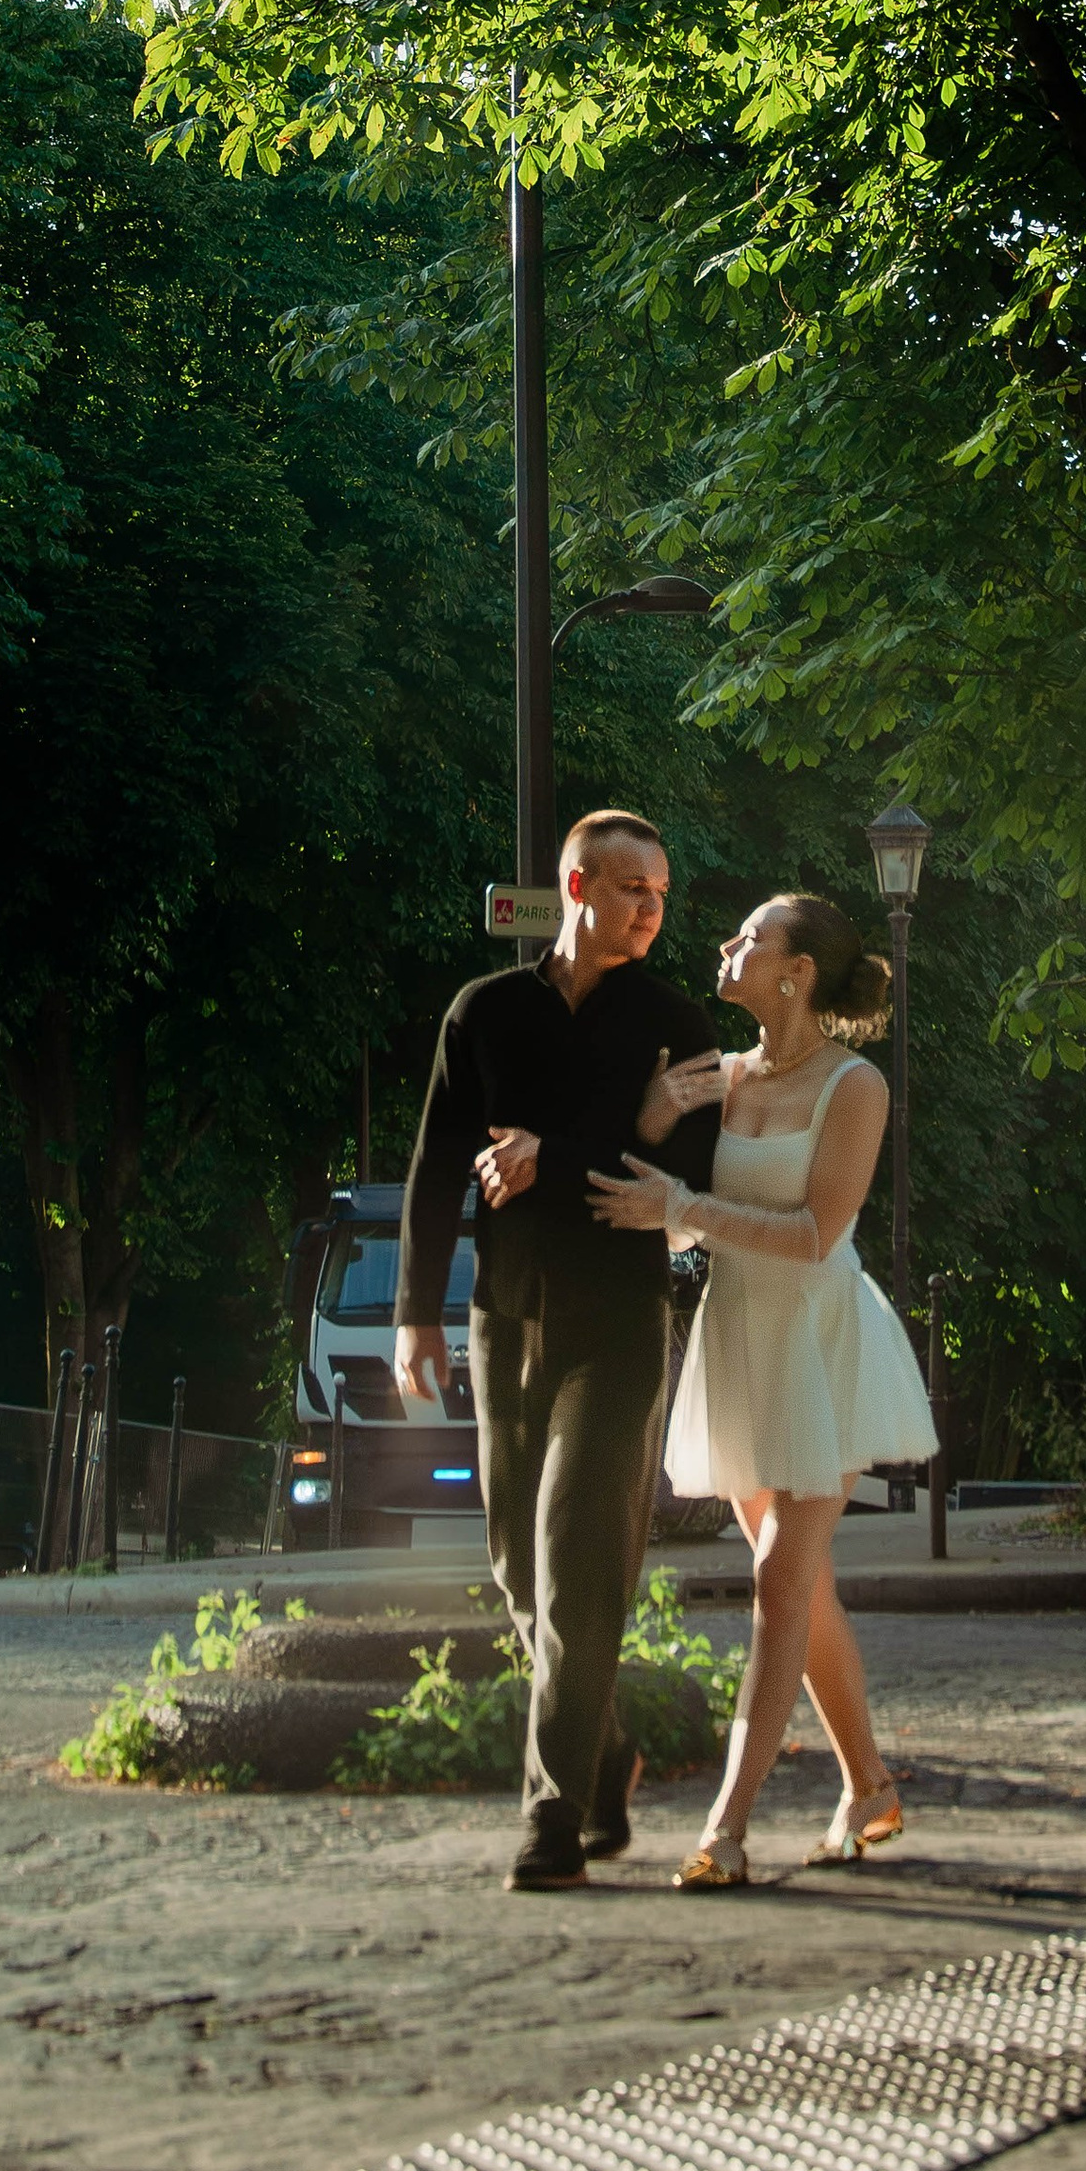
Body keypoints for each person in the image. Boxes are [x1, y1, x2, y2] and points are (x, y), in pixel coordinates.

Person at [396, 809, 724, 1891]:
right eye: (634, 889)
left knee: (580, 1552)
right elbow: (437, 1163)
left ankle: (552, 1811)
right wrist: (415, 1312)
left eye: (661, 893)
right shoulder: (482, 1011)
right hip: (504, 1314)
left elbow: (695, 1183)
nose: (652, 910)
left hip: (620, 1322)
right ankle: (606, 1747)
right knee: (516, 1564)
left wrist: (568, 1150)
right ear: (577, 886)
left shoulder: (677, 1024)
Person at [589, 888, 935, 1888]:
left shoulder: (856, 1086)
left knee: (780, 1580)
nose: (726, 944)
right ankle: (869, 1785)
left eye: (750, 937)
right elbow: (672, 1211)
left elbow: (818, 1233)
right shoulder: (721, 1077)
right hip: (738, 1336)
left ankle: (725, 1828)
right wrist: (655, 1138)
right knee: (801, 1585)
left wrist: (686, 1205)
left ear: (796, 972)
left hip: (821, 1342)